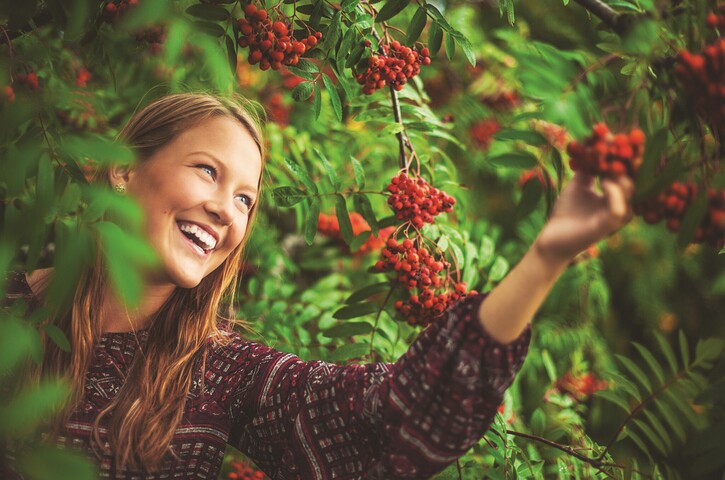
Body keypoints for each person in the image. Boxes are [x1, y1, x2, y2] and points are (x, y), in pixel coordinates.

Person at [2, 92, 634, 479]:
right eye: (207, 171)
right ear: (121, 171)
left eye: (246, 199)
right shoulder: (11, 311)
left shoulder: (220, 374)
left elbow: (394, 420)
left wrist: (546, 257)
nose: (227, 210)